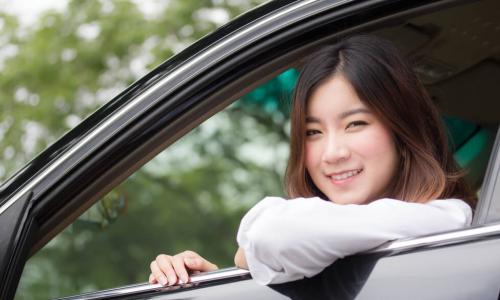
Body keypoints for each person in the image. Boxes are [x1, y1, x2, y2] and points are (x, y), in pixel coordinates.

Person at [148, 35, 476, 286]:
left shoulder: (449, 221)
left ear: (402, 131)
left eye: (355, 124)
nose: (333, 153)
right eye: (313, 132)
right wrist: (215, 284)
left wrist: (250, 250)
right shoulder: (337, 242)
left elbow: (275, 235)